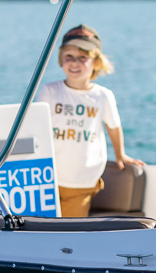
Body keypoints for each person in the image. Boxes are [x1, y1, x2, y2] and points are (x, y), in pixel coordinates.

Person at [35, 25, 142, 217]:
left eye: (83, 58)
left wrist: (120, 155)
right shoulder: (49, 90)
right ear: (61, 59)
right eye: (69, 57)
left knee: (69, 231)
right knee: (41, 228)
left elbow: (113, 126)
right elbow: (36, 127)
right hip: (47, 177)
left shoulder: (103, 96)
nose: (75, 63)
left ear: (97, 63)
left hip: (82, 179)